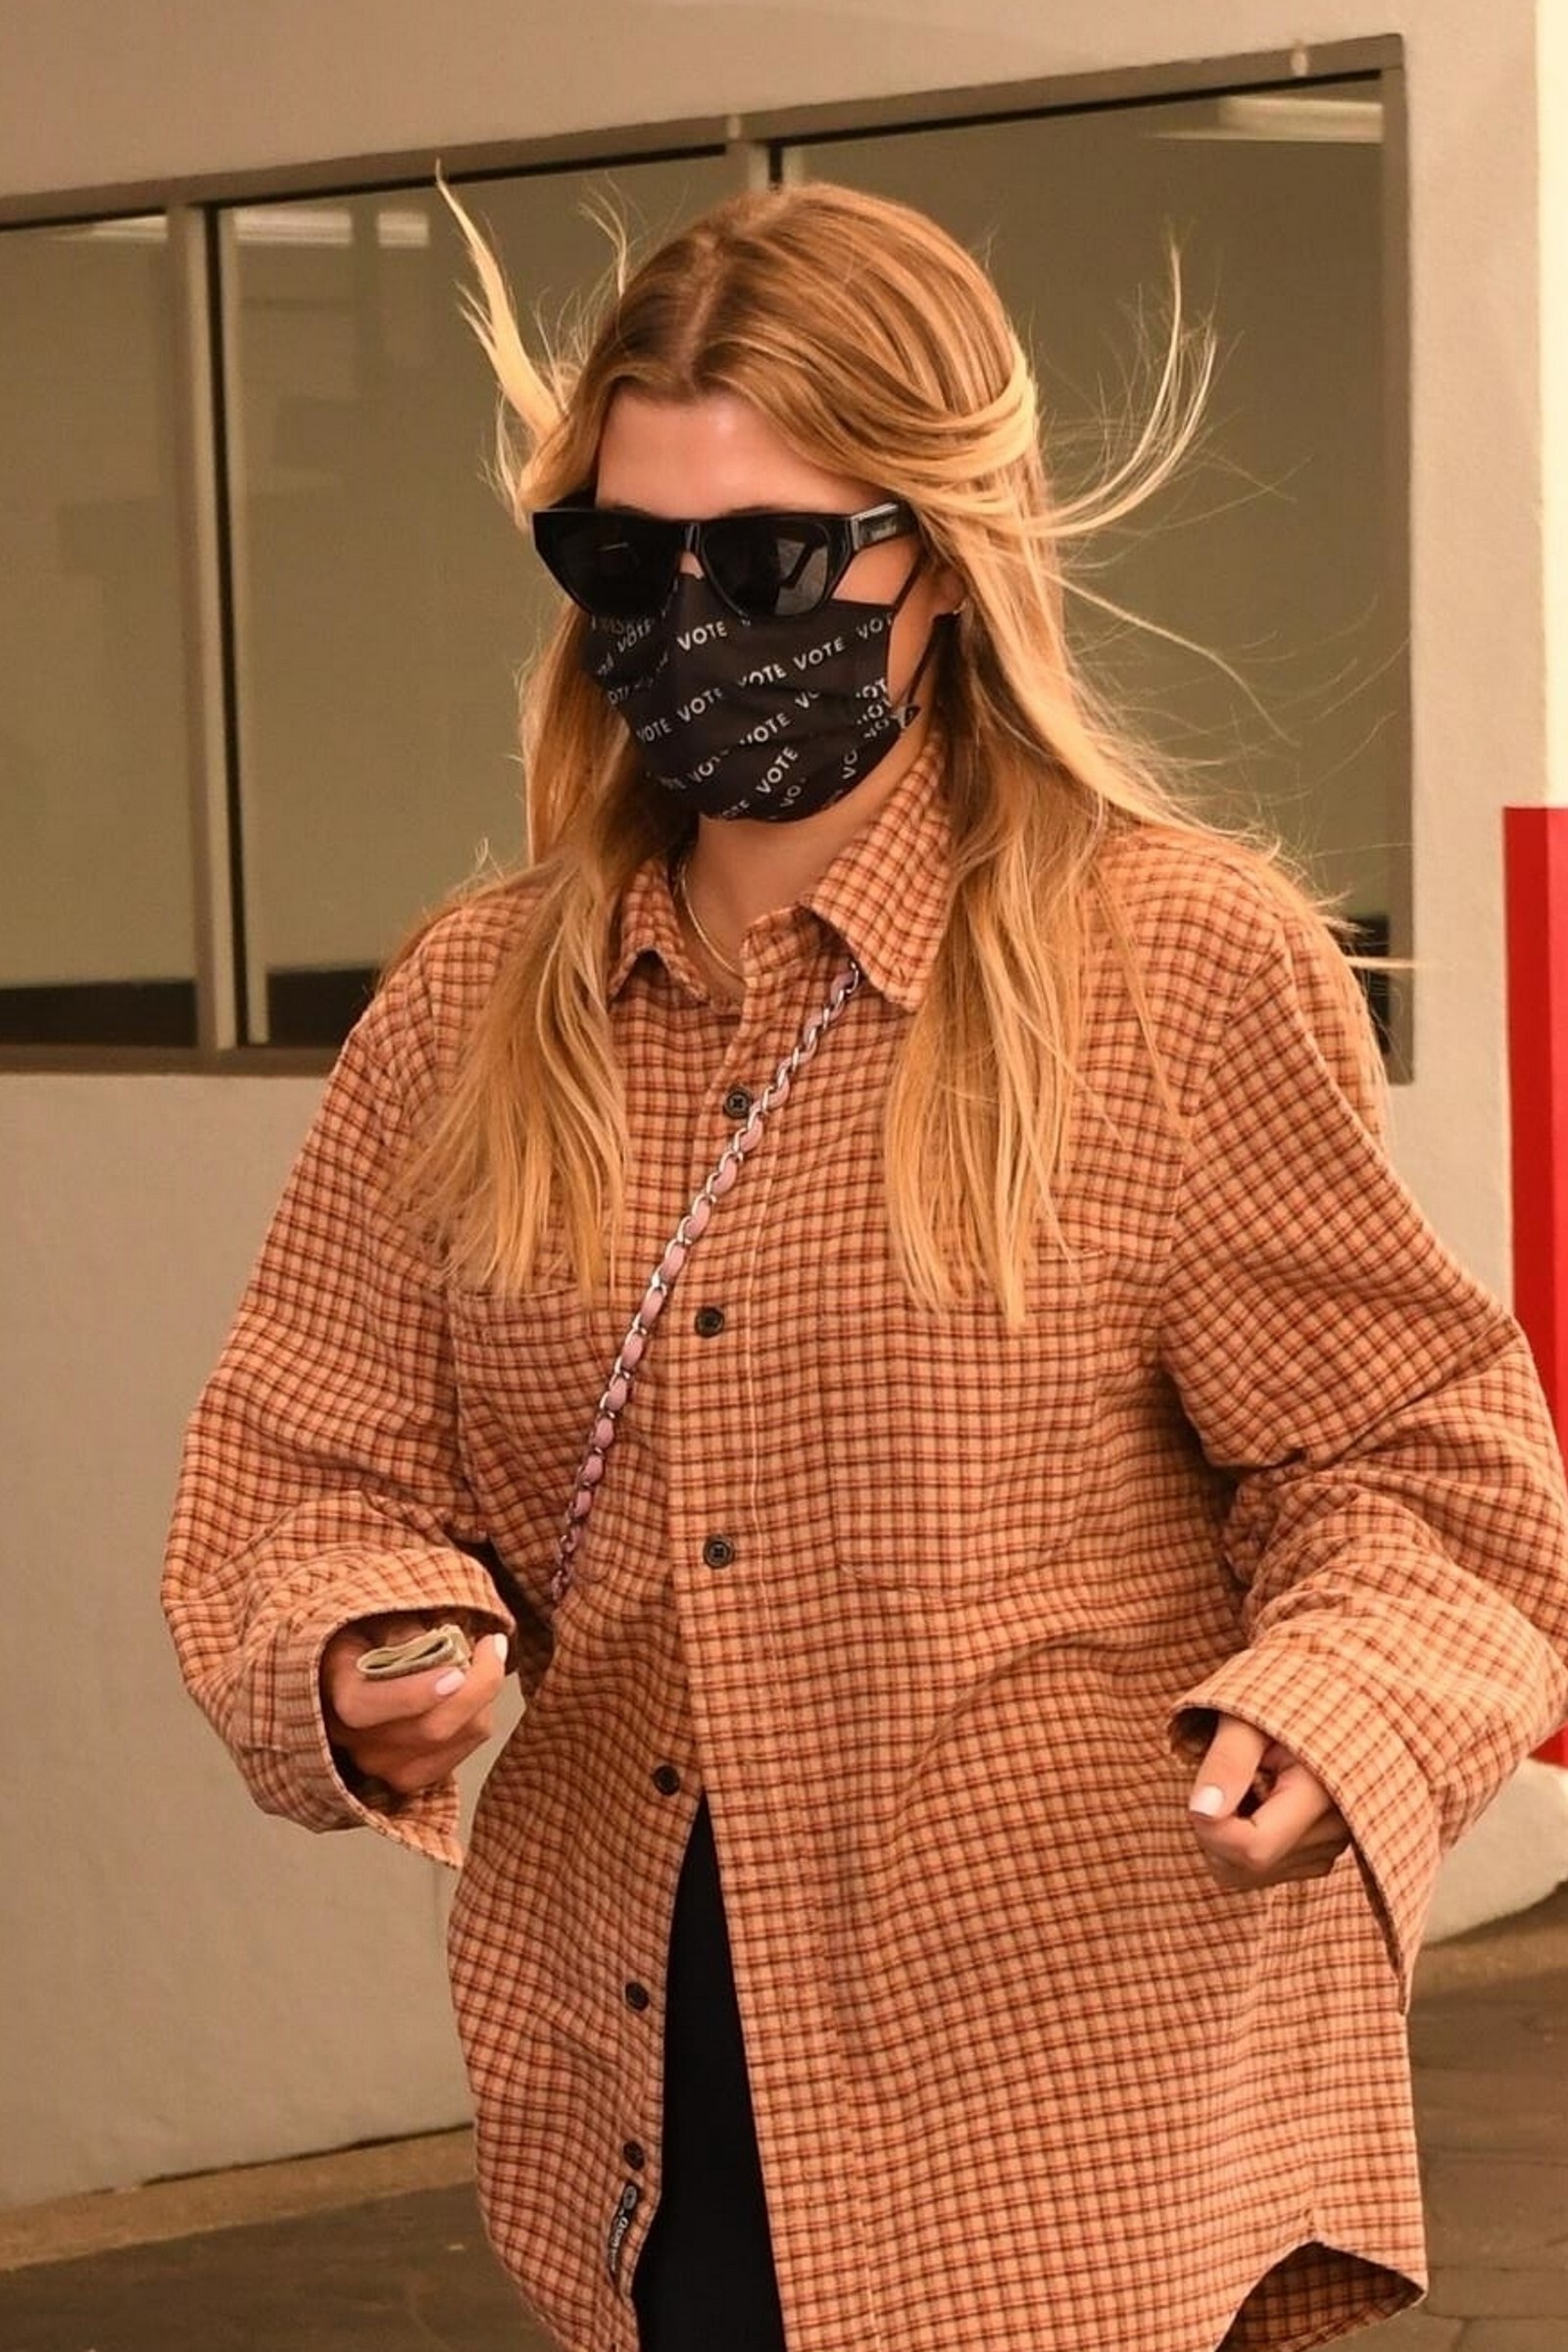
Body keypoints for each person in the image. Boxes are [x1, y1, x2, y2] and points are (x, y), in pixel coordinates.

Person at [162, 179, 1568, 2352]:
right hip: (633, 2089)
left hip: (1063, 2087)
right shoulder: (466, 1012)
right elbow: (307, 1467)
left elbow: (1420, 1475)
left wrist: (1338, 1709)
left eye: (770, 561)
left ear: (946, 558)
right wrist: (352, 1642)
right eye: (622, 561)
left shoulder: (1178, 970)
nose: (689, 621)